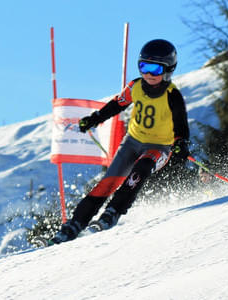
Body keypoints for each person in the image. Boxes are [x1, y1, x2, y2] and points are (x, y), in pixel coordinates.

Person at [51, 39, 190, 244]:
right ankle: (74, 225)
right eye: (144, 66)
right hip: (132, 142)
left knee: (141, 170)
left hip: (159, 147)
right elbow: (117, 105)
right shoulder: (135, 86)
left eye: (155, 68)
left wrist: (181, 142)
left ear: (168, 69)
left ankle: (112, 213)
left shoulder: (172, 95)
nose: (149, 74)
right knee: (108, 182)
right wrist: (95, 118)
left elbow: (181, 125)